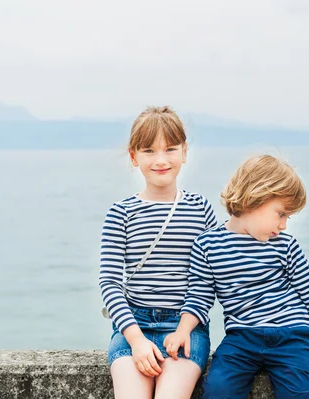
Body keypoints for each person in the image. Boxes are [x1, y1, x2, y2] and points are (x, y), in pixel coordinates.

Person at [164, 154, 309, 399]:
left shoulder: (286, 245)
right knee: (218, 389)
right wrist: (182, 331)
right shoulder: (207, 245)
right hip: (242, 337)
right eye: (281, 214)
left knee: (296, 394)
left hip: (293, 335)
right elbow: (199, 296)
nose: (283, 225)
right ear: (255, 198)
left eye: (287, 217)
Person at [99, 106, 217, 399]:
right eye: (149, 150)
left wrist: (185, 328)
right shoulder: (120, 214)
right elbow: (110, 284)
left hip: (186, 329)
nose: (161, 160)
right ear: (133, 156)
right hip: (132, 328)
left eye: (171, 149)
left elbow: (208, 281)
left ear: (185, 152)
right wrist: (136, 341)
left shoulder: (201, 210)